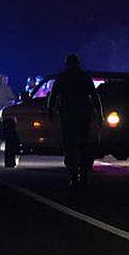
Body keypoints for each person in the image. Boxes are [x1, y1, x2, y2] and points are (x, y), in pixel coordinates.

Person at [48, 54, 100, 187]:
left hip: (68, 116)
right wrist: (100, 114)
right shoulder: (84, 77)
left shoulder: (62, 77)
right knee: (83, 146)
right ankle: (83, 175)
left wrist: (50, 112)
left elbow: (53, 96)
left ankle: (74, 176)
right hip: (82, 115)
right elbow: (94, 96)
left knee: (70, 147)